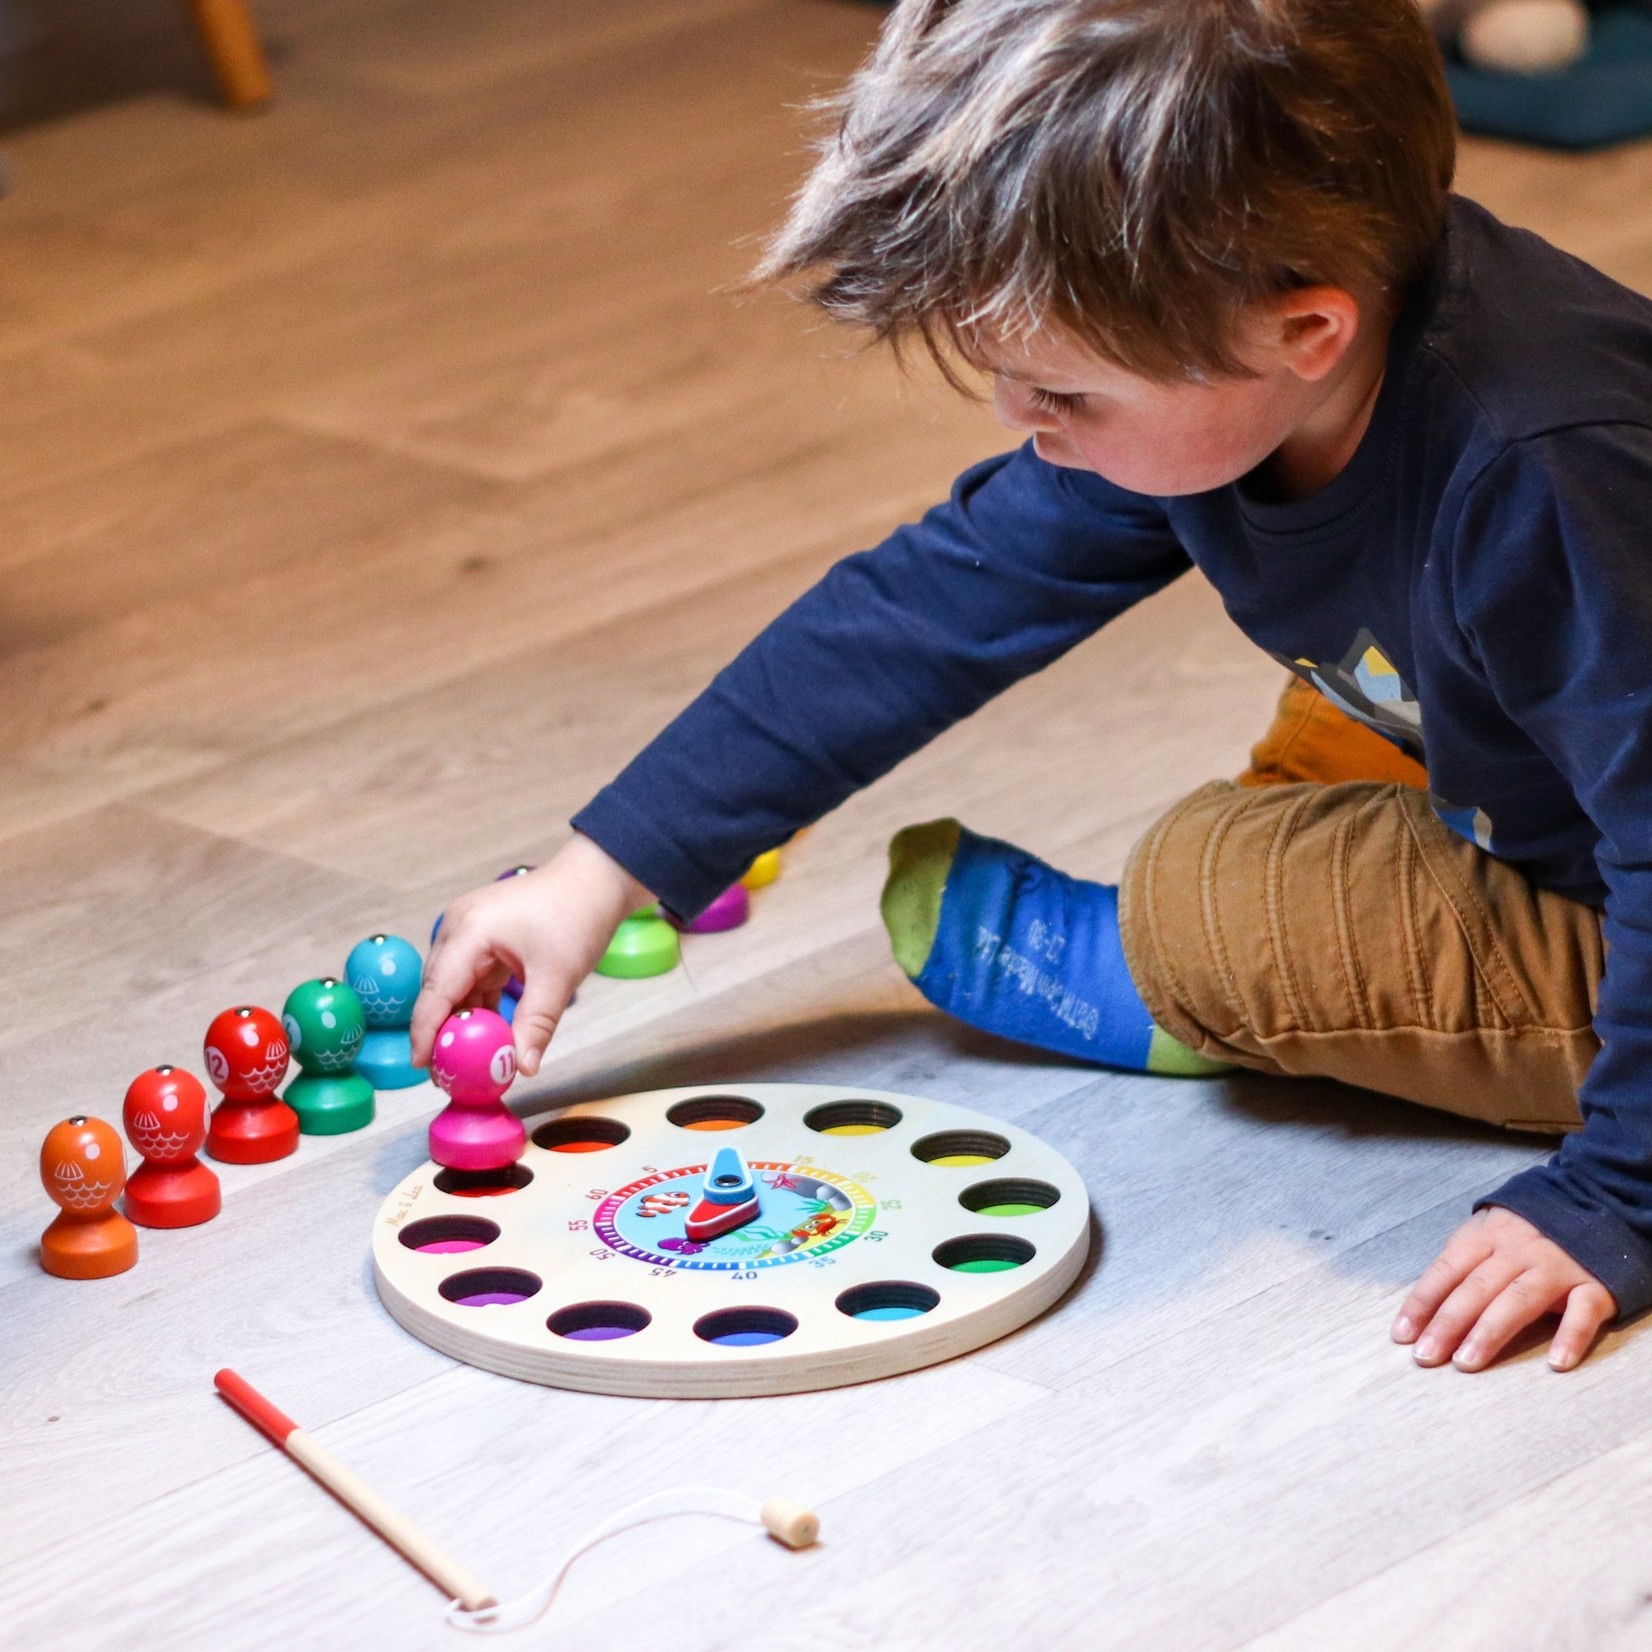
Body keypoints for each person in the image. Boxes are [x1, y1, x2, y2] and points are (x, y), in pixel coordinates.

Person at [412, 0, 1652, 1376]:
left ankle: (1177, 989)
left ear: (1304, 329)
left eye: (1061, 391)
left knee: (1203, 894)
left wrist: (1616, 1195)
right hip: (1578, 773)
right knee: (1369, 700)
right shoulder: (1264, 374)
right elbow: (938, 602)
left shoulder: (1547, 470)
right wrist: (602, 868)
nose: (1021, 421)